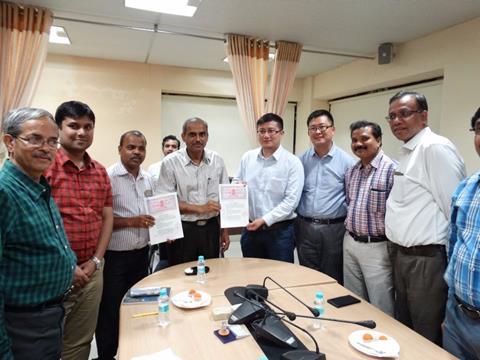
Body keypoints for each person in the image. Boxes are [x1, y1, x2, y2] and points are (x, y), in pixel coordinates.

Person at [385, 90, 465, 344]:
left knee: (425, 332)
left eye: (405, 113)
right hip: (402, 256)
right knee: (405, 326)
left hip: (426, 259)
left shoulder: (434, 148)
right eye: (392, 116)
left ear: (424, 116)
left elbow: (455, 211)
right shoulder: (408, 150)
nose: (397, 121)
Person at [0, 108, 76, 360]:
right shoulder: (4, 192)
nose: (46, 148)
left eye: (52, 141)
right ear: (9, 142)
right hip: (22, 325)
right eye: (34, 139)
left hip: (49, 315)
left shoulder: (38, 184)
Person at [45, 101, 113, 360]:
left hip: (92, 271)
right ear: (59, 128)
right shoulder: (45, 168)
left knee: (81, 341)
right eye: (73, 126)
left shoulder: (100, 171)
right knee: (48, 343)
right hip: (56, 272)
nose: (81, 132)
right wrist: (67, 265)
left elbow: (106, 217)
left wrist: (97, 260)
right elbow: (42, 223)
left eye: (88, 127)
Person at [95, 131, 155, 360]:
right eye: (131, 147)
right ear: (119, 148)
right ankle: (107, 356)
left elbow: (155, 212)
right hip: (114, 258)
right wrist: (132, 221)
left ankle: (132, 353)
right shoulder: (107, 177)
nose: (136, 152)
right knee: (110, 312)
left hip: (142, 255)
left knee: (137, 309)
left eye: (141, 148)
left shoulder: (148, 178)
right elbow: (101, 218)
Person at [157, 117, 229, 265]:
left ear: (207, 136)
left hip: (211, 228)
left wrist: (224, 231)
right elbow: (163, 203)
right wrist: (200, 208)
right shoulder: (170, 162)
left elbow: (225, 199)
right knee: (182, 275)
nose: (198, 139)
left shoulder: (218, 161)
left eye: (202, 134)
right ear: (183, 136)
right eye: (192, 134)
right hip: (183, 230)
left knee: (212, 273)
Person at [235, 113, 304, 263]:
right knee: (251, 274)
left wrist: (264, 220)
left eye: (271, 131)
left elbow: (291, 201)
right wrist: (237, 188)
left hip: (280, 233)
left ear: (281, 133)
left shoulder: (292, 162)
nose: (266, 135)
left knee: (279, 277)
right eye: (262, 131)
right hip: (250, 229)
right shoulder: (248, 157)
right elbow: (236, 182)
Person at [296, 109, 355, 282]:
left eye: (322, 127)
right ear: (308, 132)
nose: (318, 131)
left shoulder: (348, 162)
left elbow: (352, 198)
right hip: (304, 228)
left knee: (332, 276)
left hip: (334, 229)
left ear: (333, 130)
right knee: (307, 276)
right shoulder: (300, 161)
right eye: (313, 128)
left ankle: (330, 310)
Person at [343, 120, 395, 315]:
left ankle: (383, 342)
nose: (358, 144)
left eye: (365, 138)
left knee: (381, 302)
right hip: (350, 242)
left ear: (379, 140)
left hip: (377, 248)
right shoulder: (352, 171)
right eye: (354, 140)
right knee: (353, 300)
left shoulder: (391, 170)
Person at [442, 107, 480, 359]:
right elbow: (454, 248)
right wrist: (449, 311)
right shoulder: (467, 187)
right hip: (458, 315)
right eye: (479, 129)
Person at [147, 135, 180, 271]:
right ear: (162, 149)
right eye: (167, 146)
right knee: (165, 257)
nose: (170, 149)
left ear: (179, 149)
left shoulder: (182, 167)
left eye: (174, 146)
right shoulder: (153, 169)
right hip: (161, 218)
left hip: (179, 217)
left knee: (179, 257)